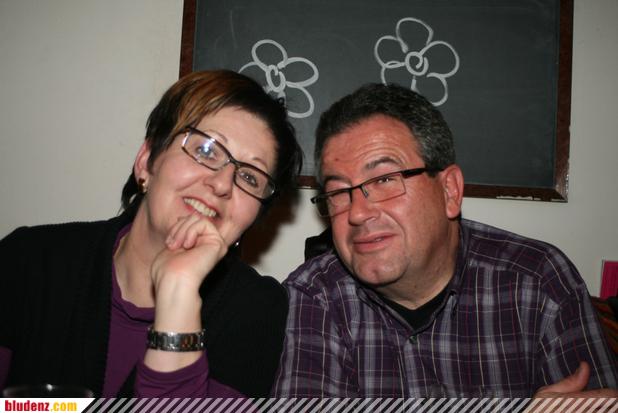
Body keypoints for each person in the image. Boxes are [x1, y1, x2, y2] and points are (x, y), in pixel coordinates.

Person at [272, 83, 618, 398]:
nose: (358, 213)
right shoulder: (315, 295)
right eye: (338, 193)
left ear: (449, 191)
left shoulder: (538, 281)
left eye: (385, 180)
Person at [0, 70, 303, 397]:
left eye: (250, 177)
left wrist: (179, 291)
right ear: (146, 162)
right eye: (206, 150)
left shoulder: (257, 309)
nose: (221, 184)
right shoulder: (28, 260)